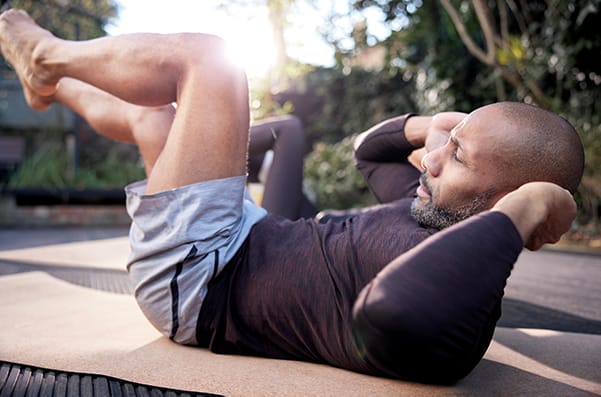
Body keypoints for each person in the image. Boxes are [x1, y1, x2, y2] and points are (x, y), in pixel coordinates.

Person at [0, 9, 584, 385]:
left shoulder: (455, 300)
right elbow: (368, 151)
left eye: (456, 157)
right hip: (247, 235)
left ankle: (45, 55)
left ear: (511, 200)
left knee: (212, 60)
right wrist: (445, 126)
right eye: (444, 145)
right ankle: (53, 86)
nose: (430, 157)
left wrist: (525, 211)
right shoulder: (433, 203)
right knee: (157, 121)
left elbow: (395, 309)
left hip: (203, 279)